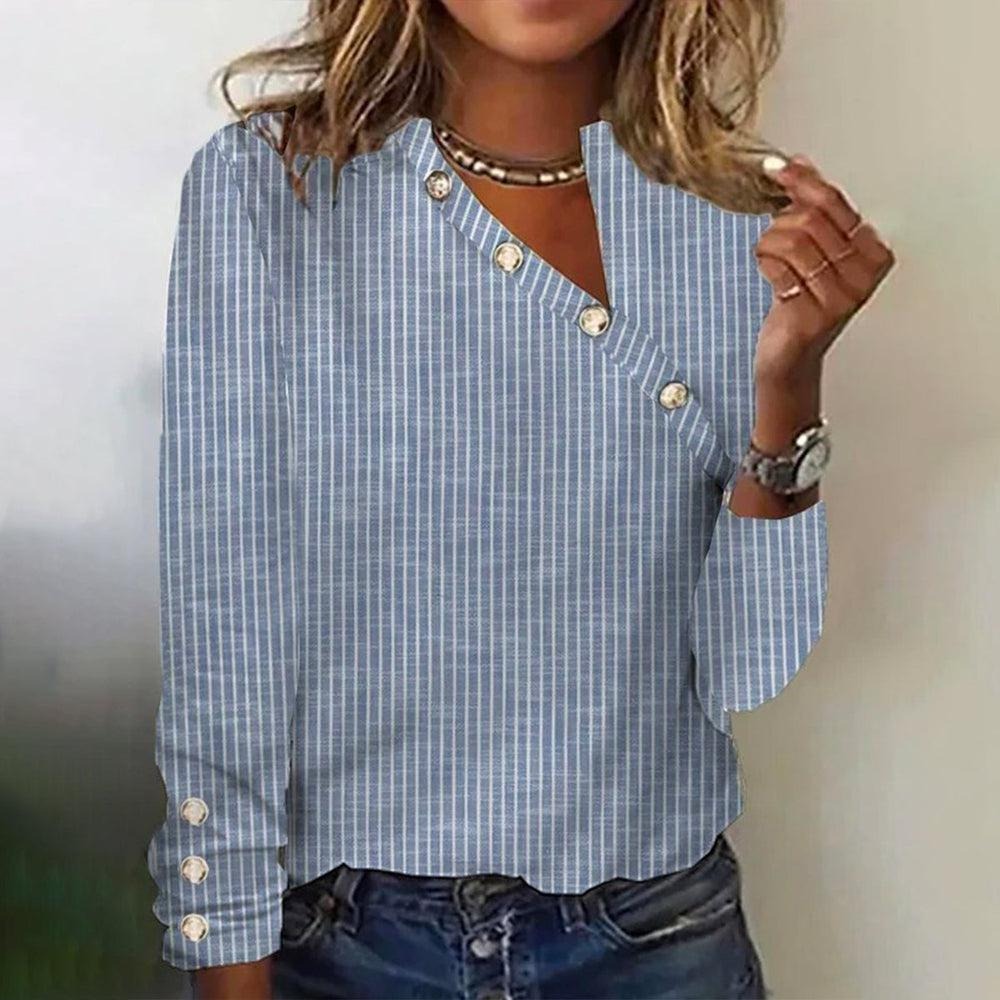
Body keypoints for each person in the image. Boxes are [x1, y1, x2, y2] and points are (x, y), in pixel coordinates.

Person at [146, 1, 894, 997]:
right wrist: (227, 954)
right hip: (339, 940)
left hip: (657, 937)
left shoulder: (743, 220)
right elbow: (221, 623)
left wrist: (789, 388)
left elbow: (745, 665)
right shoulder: (271, 188)